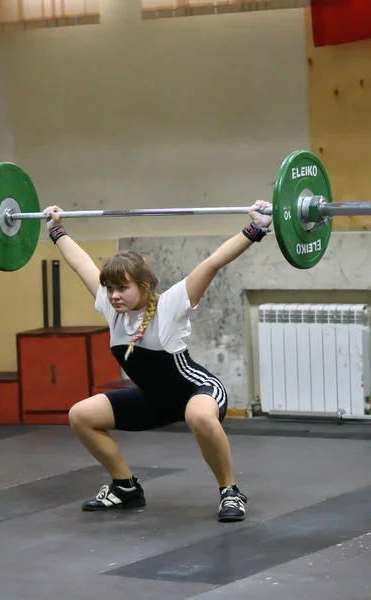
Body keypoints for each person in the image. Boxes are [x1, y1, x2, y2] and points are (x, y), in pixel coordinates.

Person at [43, 200, 272, 522]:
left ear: (144, 287)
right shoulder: (112, 309)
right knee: (81, 415)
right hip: (156, 400)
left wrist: (255, 228)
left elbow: (211, 264)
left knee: (199, 417)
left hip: (198, 391)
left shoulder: (171, 305)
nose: (113, 295)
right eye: (109, 288)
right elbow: (82, 265)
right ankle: (125, 487)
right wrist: (56, 231)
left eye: (122, 288)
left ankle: (230, 491)